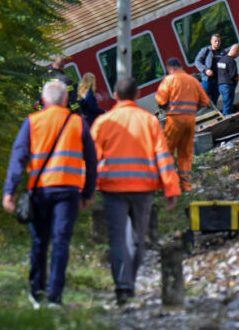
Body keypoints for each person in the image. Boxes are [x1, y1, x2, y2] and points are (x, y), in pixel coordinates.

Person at [3, 80, 97, 308]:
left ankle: (37, 293)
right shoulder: (77, 123)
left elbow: (19, 157)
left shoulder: (32, 122)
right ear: (66, 100)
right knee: (61, 242)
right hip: (68, 191)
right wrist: (88, 192)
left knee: (39, 242)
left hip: (40, 191)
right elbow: (91, 160)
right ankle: (55, 297)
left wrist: (10, 191)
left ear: (44, 100)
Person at [90, 77, 181, 306]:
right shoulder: (149, 121)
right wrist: (171, 189)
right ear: (138, 94)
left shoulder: (103, 122)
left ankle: (123, 285)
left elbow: (92, 159)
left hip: (113, 189)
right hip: (143, 189)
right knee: (138, 238)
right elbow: (163, 156)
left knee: (118, 238)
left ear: (116, 95)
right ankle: (129, 280)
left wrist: (87, 190)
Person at [155, 58, 210, 192]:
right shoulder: (192, 80)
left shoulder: (168, 81)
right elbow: (205, 101)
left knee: (167, 152)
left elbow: (160, 102)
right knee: (185, 154)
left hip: (174, 121)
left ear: (170, 68)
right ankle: (186, 186)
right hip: (189, 121)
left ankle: (170, 185)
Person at [194, 33, 225, 106]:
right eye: (215, 41)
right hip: (207, 79)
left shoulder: (223, 52)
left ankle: (212, 112)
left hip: (217, 80)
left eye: (219, 41)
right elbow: (197, 61)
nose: (217, 43)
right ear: (211, 41)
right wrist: (205, 70)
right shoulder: (206, 50)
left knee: (214, 98)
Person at [217, 44, 239, 115]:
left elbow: (223, 72)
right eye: (238, 52)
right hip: (228, 86)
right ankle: (227, 120)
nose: (238, 55)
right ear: (235, 51)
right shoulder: (231, 61)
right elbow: (233, 75)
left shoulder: (221, 60)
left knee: (226, 104)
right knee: (228, 107)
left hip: (221, 86)